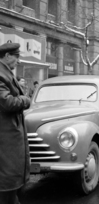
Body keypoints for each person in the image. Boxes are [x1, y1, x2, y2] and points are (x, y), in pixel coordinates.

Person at [0, 43, 31, 204]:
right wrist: (25, 99)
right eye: (16, 56)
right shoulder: (1, 74)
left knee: (11, 189)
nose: (18, 61)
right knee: (7, 185)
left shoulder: (6, 73)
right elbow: (7, 102)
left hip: (9, 134)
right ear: (6, 56)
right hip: (6, 136)